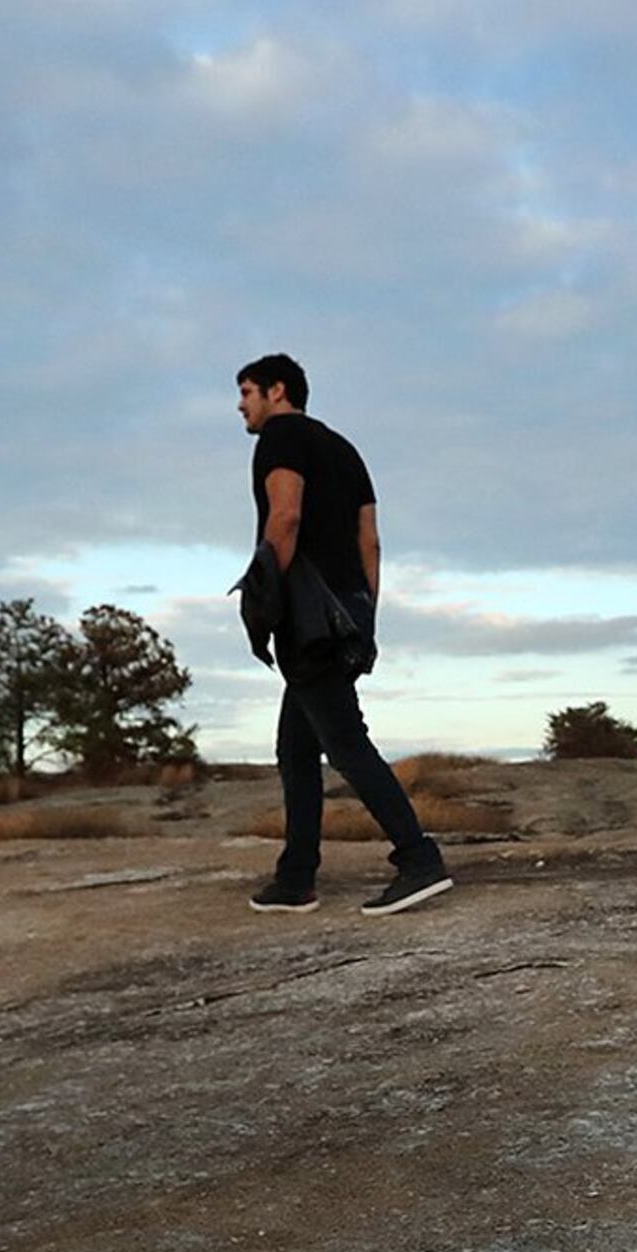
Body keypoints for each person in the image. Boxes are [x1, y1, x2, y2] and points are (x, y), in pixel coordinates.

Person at [235, 354, 450, 916]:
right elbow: (371, 541)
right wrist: (363, 613)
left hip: (308, 615)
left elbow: (285, 517)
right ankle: (296, 874)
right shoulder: (346, 449)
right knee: (296, 748)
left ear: (278, 391)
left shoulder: (280, 438)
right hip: (347, 609)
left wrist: (266, 594)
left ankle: (418, 856)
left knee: (346, 741)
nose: (241, 405)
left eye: (247, 392)